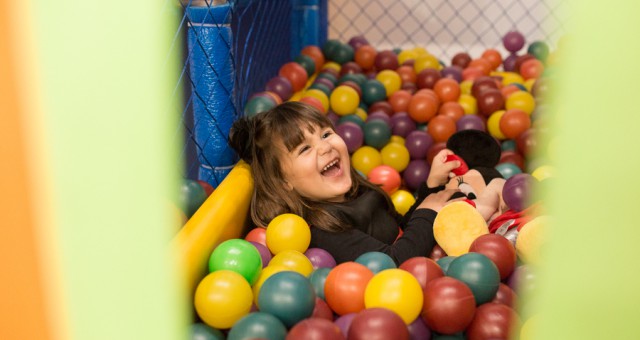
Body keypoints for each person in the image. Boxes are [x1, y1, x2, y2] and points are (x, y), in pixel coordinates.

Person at [229, 101, 460, 265]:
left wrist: (431, 189)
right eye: (305, 148)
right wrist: (429, 212)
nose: (324, 146)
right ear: (283, 181)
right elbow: (393, 262)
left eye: (326, 134)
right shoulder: (322, 231)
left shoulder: (361, 193)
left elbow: (403, 231)